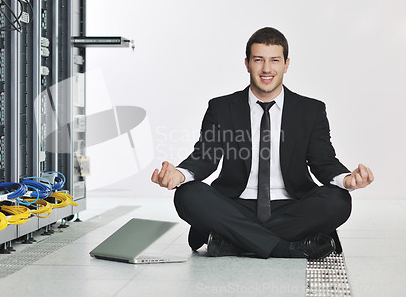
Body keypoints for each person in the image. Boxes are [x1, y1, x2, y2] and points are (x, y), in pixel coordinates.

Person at [151, 27, 374, 259]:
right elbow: (206, 156)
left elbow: (322, 160)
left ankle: (234, 241)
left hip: (292, 206)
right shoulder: (221, 108)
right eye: (258, 60)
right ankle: (284, 248)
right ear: (247, 64)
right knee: (187, 194)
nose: (267, 69)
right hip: (235, 205)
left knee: (338, 200)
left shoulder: (311, 110)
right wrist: (180, 174)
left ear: (286, 64)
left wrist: (346, 179)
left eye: (274, 60)